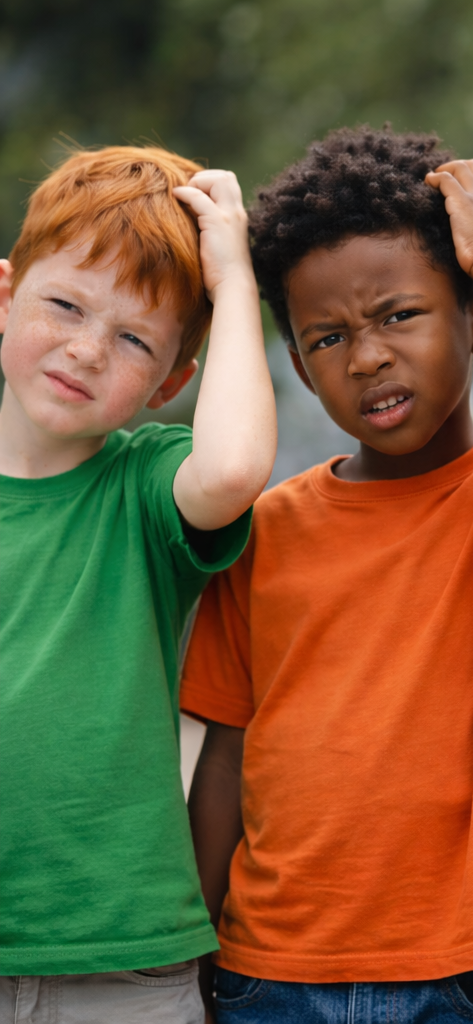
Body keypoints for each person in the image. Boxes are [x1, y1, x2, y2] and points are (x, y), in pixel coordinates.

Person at [179, 127, 473, 1024]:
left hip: (471, 971)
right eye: (328, 338)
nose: (366, 357)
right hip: (272, 970)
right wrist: (192, 955)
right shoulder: (264, 530)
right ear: (301, 370)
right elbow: (226, 757)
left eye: (399, 315)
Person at [0, 146, 276, 1023]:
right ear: (4, 296)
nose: (85, 350)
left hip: (121, 964)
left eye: (134, 340)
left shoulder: (147, 483)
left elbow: (231, 469)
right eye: (64, 305)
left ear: (172, 382)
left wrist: (235, 280)